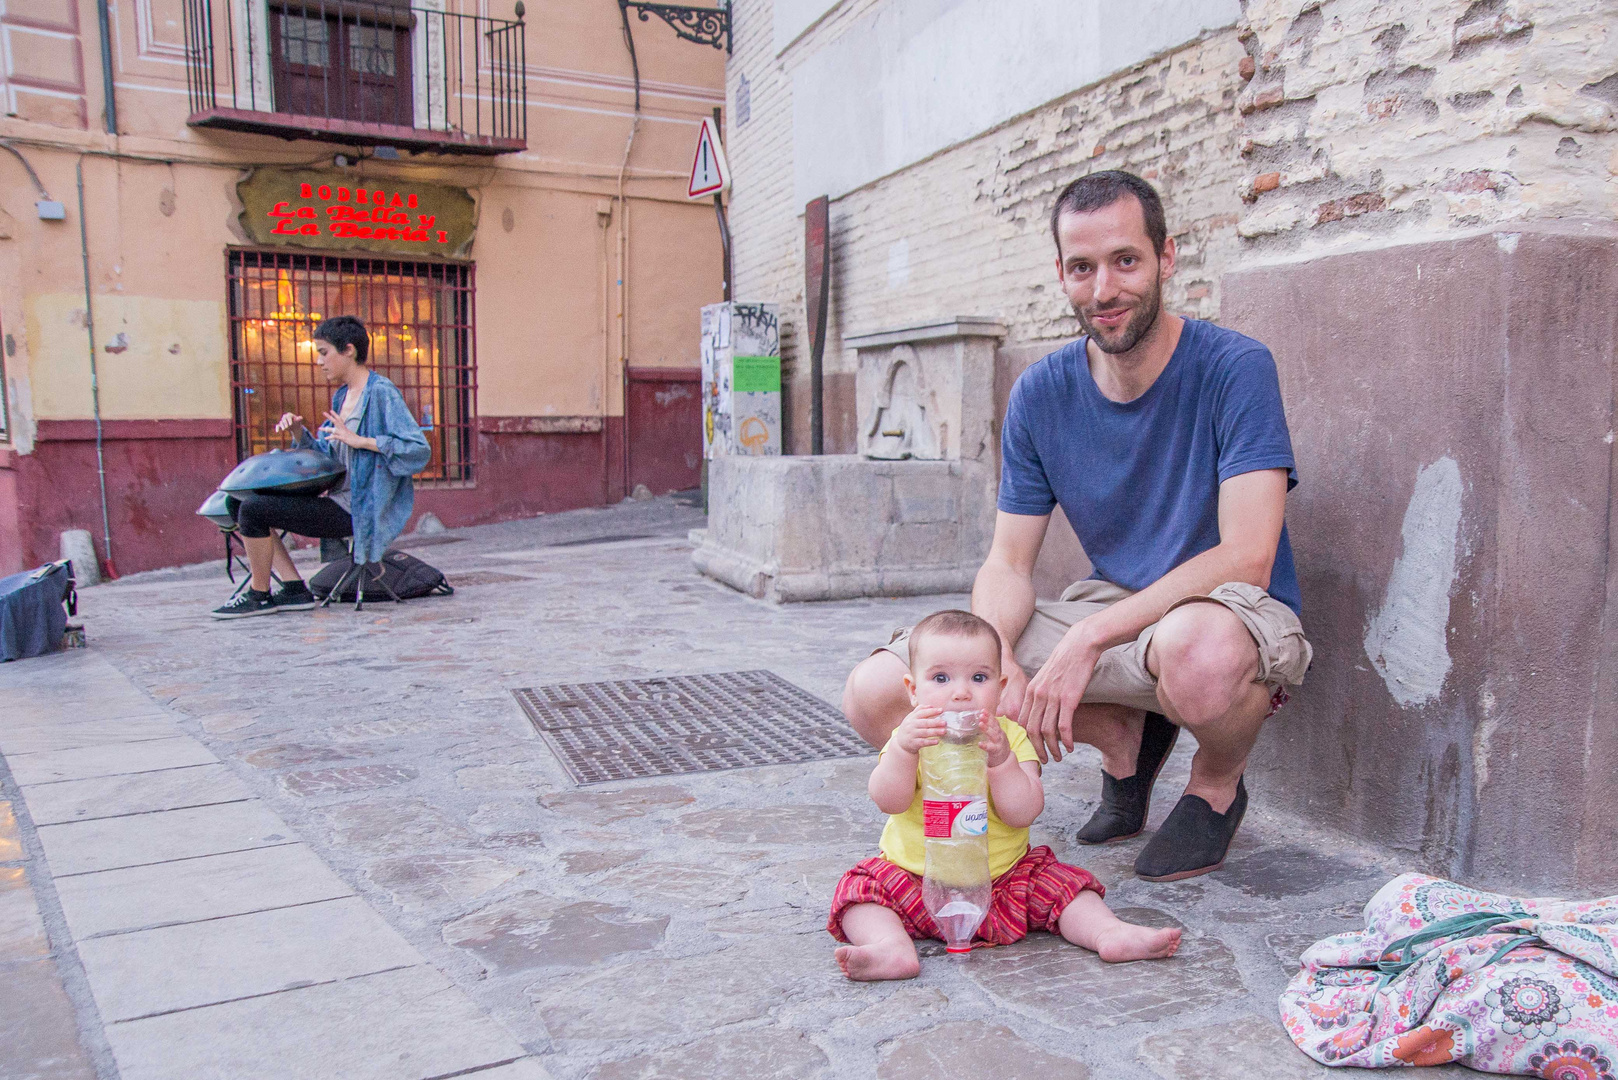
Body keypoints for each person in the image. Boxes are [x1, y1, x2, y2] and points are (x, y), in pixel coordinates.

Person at [842, 170, 1313, 882]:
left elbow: (1248, 554)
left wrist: (1091, 638)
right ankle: (1122, 738)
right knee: (879, 691)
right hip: (1114, 601)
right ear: (1060, 274)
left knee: (1199, 653)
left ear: (1167, 257)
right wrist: (997, 660)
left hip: (1225, 613)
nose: (1105, 290)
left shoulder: (1234, 367)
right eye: (1083, 268)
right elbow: (1007, 562)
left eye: (1126, 261)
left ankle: (1215, 788)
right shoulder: (1041, 392)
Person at [829, 610, 1181, 981]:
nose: (961, 692)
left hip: (1002, 883)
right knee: (861, 890)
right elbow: (889, 800)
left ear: (1000, 687)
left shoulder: (1010, 738)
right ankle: (890, 947)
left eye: (978, 678)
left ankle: (1109, 933)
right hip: (916, 880)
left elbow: (1024, 811)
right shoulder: (910, 738)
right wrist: (902, 751)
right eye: (940, 678)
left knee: (1065, 887)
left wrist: (1001, 763)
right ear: (913, 690)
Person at [211, 315, 431, 619]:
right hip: (337, 501)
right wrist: (299, 433)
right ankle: (293, 589)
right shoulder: (342, 396)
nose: (319, 361)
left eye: (324, 352)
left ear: (349, 350)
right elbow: (329, 459)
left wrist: (363, 441)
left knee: (253, 510)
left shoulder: (381, 393)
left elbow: (418, 451)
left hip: (360, 510)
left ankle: (259, 595)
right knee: (238, 502)